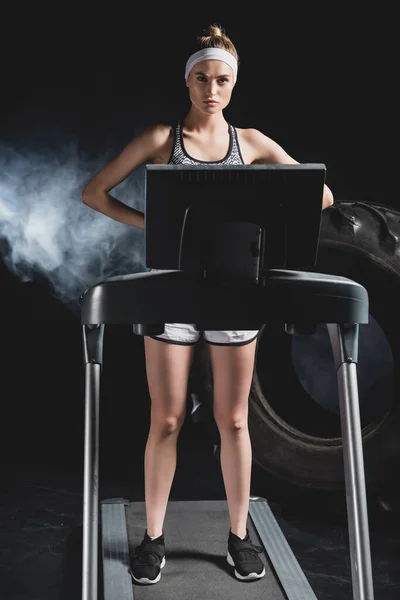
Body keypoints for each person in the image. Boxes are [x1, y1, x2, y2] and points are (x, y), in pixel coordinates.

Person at [81, 23, 334, 586]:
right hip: (172, 289)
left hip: (234, 293)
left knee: (234, 419)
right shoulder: (159, 138)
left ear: (233, 83)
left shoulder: (253, 142)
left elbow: (321, 195)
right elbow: (94, 193)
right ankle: (152, 539)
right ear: (188, 80)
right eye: (202, 78)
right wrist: (151, 229)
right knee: (166, 419)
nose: (211, 89)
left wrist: (268, 223)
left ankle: (240, 537)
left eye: (221, 80)